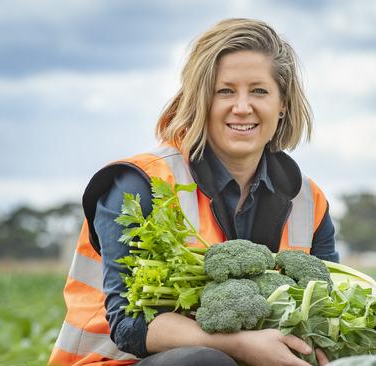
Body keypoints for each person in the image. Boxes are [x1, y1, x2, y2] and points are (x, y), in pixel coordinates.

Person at [49, 18, 339, 366]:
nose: (242, 107)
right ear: (200, 100)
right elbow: (128, 325)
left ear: (283, 104)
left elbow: (327, 309)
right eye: (225, 91)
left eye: (259, 91)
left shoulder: (308, 200)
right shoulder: (140, 184)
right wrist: (241, 345)